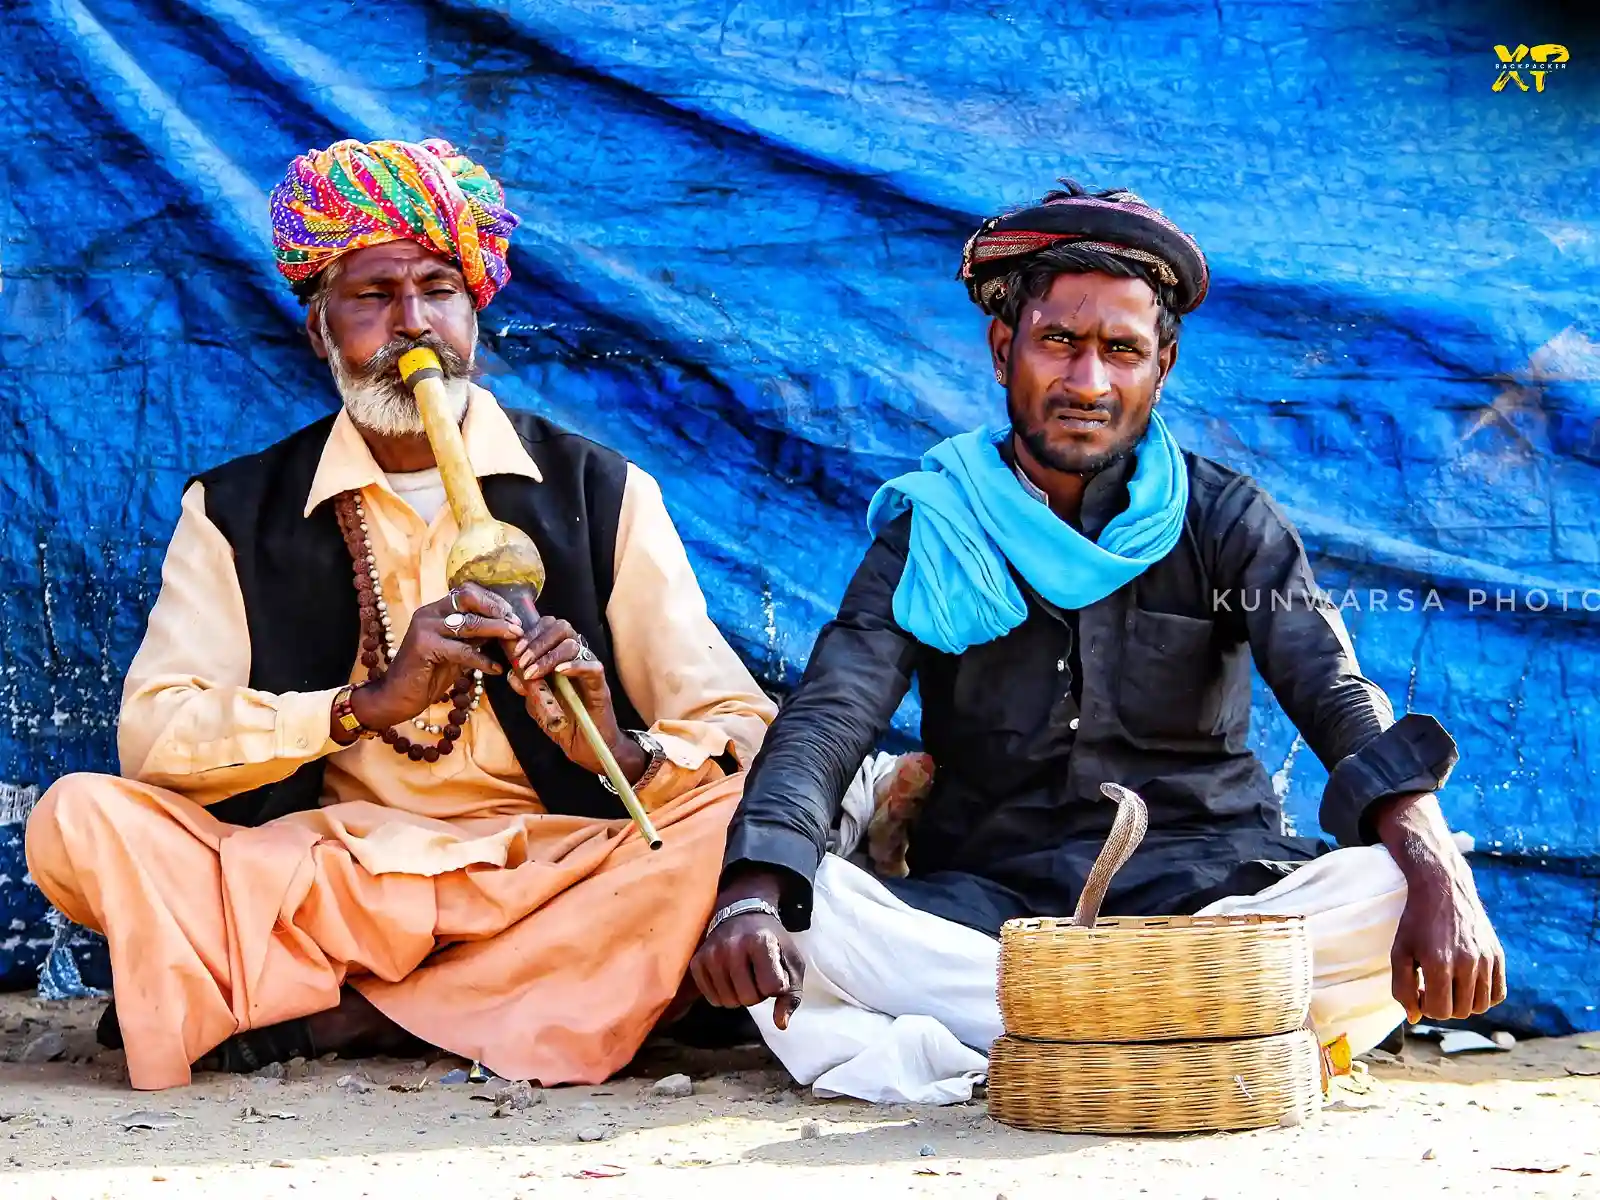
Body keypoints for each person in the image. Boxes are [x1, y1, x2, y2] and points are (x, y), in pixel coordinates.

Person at [688, 182, 1507, 1104]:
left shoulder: (1226, 519)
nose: (1087, 383)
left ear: (1163, 364)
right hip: (994, 915)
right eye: (1059, 343)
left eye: (1121, 350)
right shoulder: (937, 528)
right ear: (1004, 348)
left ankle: (1060, 1032)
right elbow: (832, 711)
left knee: (1389, 884)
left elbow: (1334, 691)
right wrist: (754, 890)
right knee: (812, 911)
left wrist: (1437, 869)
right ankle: (1193, 1029)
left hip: (1212, 899)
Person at [25, 137, 776, 1092]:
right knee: (77, 818)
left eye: (438, 290)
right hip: (328, 879)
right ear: (320, 330)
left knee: (740, 821)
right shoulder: (233, 510)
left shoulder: (603, 491)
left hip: (547, 874)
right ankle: (503, 999)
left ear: (475, 313)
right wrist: (360, 707)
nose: (412, 324)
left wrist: (615, 750)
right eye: (373, 297)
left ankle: (355, 1014)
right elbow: (157, 738)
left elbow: (741, 730)